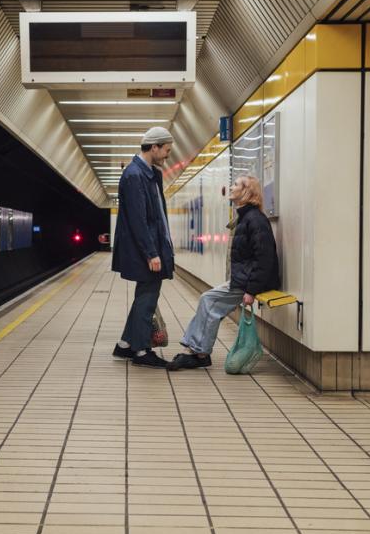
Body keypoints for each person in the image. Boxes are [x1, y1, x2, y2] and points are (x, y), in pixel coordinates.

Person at [169, 175, 279, 370]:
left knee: (209, 302)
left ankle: (200, 353)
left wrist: (251, 290)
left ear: (246, 191)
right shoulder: (246, 217)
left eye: (235, 184)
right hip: (245, 278)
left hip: (249, 282)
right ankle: (196, 350)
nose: (230, 187)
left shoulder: (255, 220)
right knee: (207, 299)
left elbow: (264, 258)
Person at [111, 126, 175, 368]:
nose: (168, 155)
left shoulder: (149, 173)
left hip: (153, 246)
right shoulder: (134, 175)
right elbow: (139, 220)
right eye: (166, 150)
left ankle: (125, 345)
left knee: (144, 296)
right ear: (154, 147)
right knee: (147, 296)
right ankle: (140, 351)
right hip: (145, 250)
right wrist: (151, 253)